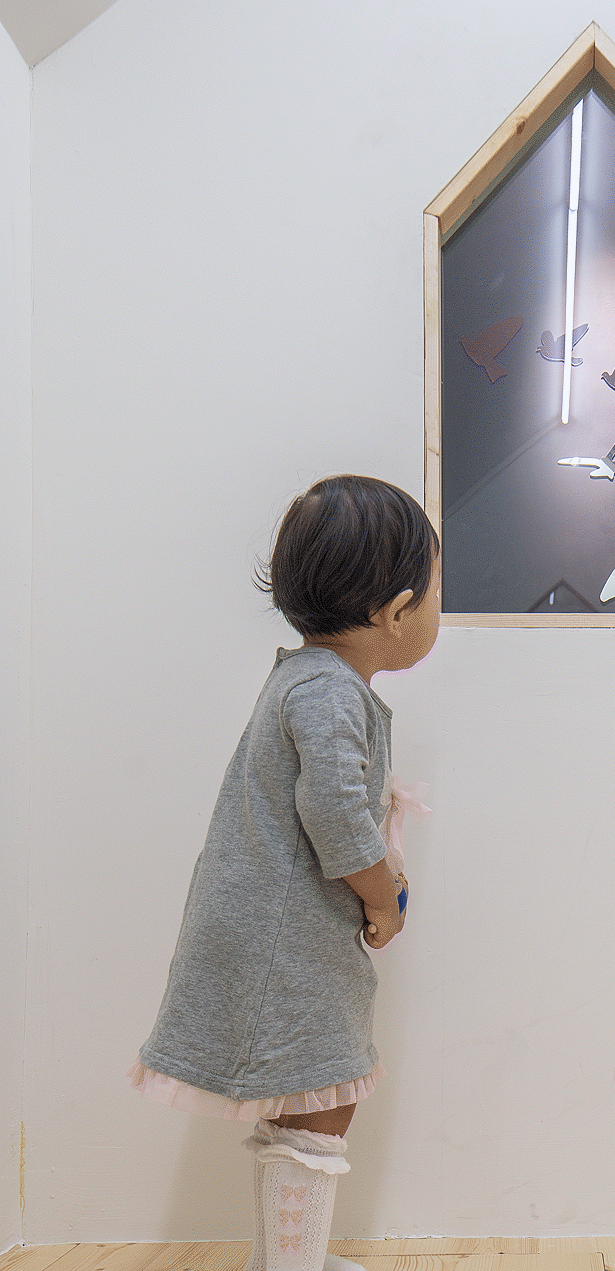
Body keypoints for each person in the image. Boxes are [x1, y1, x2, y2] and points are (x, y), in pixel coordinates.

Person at [128, 474, 440, 1271]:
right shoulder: (329, 692)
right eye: (437, 594)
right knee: (323, 1107)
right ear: (398, 610)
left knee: (308, 1106)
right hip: (286, 950)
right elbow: (334, 814)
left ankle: (281, 1260)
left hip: (286, 939)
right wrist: (384, 899)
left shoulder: (310, 681)